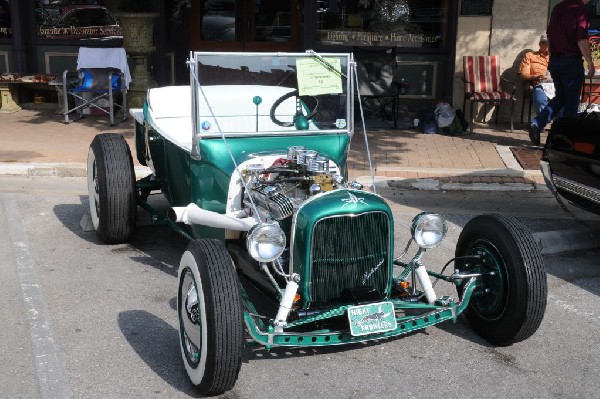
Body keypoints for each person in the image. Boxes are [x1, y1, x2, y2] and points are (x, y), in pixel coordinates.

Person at [528, 0, 595, 146]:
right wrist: (590, 62)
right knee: (571, 102)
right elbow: (581, 39)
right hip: (571, 61)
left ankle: (537, 123)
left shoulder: (558, 7)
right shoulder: (581, 9)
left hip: (556, 60)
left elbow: (550, 36)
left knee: (561, 98)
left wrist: (553, 57)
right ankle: (565, 138)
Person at [518, 34, 552, 116]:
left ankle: (558, 124)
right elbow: (523, 73)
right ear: (540, 44)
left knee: (566, 100)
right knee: (540, 101)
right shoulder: (531, 55)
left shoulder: (556, 57)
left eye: (549, 43)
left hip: (555, 85)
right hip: (539, 84)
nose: (547, 45)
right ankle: (541, 123)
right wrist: (535, 77)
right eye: (545, 43)